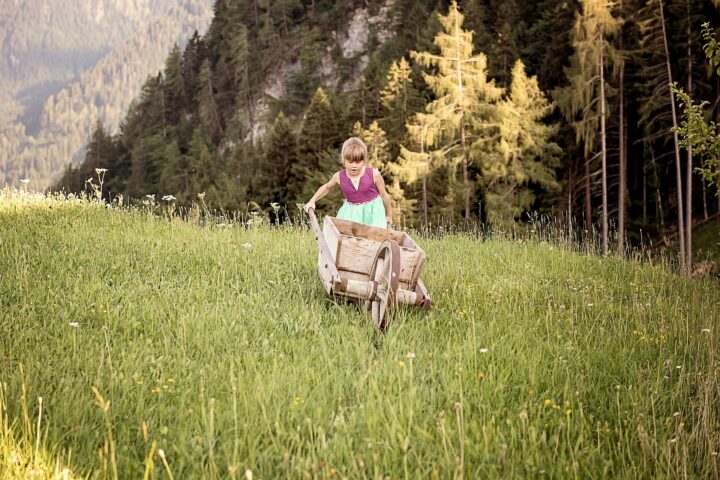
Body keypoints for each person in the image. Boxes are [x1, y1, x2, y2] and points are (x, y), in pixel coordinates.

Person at [303, 137, 393, 228]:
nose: (354, 166)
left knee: (374, 236)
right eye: (350, 162)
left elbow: (384, 195)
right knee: (347, 237)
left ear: (363, 161)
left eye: (358, 162)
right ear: (344, 161)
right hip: (351, 213)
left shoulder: (373, 174)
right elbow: (327, 187)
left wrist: (389, 215)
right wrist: (312, 200)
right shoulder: (339, 176)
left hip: (373, 212)